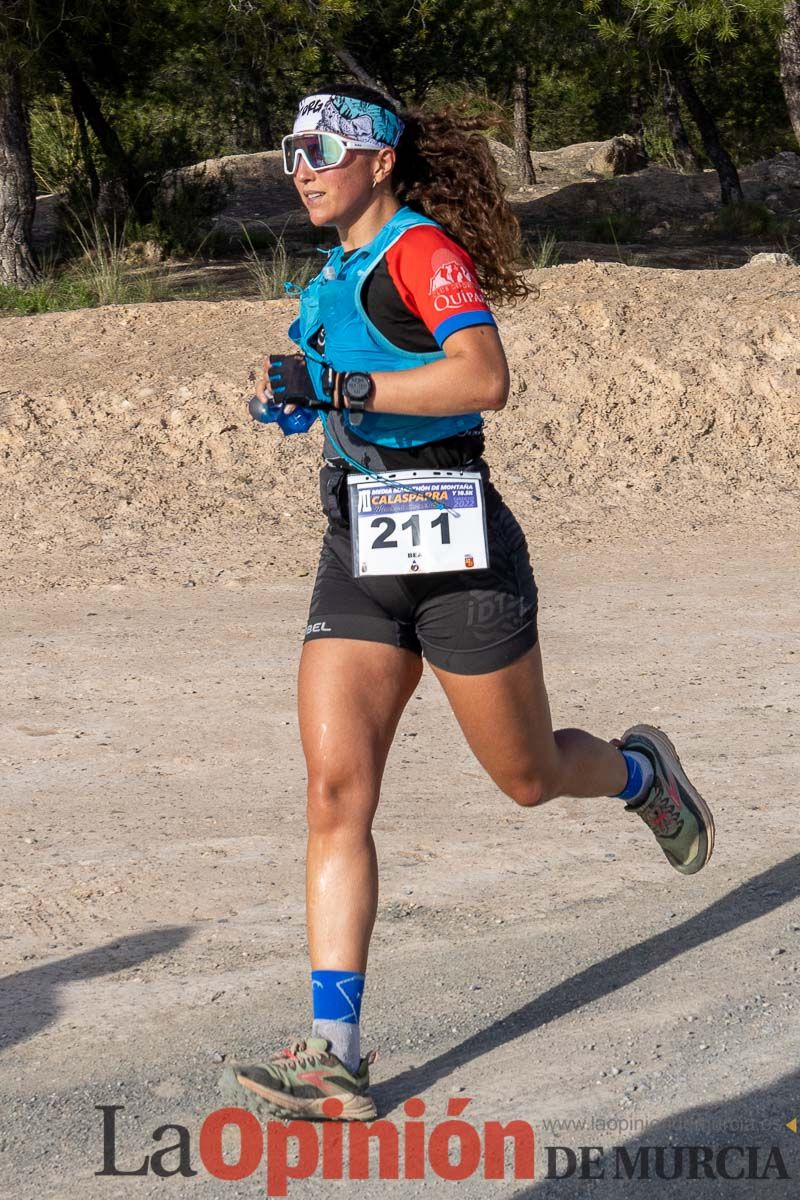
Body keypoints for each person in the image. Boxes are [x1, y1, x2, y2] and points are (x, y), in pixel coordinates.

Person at [221, 85, 715, 1122]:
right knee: (332, 790)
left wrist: (341, 392)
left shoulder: (418, 250)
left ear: (378, 161)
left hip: (456, 542)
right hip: (357, 543)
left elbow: (482, 377)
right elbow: (336, 379)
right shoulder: (335, 269)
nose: (299, 167)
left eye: (318, 150)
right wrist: (295, 392)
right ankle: (335, 1054)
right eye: (288, 154)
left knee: (527, 778)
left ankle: (636, 772)